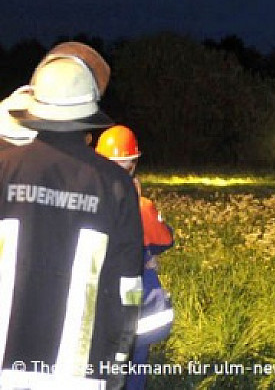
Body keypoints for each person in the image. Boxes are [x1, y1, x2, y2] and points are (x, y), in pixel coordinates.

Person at [0, 42, 143, 390]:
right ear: (88, 113)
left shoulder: (4, 169)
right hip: (79, 373)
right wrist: (118, 363)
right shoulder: (116, 185)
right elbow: (128, 290)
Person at [96, 125, 174, 390]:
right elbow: (165, 240)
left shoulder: (89, 200)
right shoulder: (141, 206)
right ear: (133, 162)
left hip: (98, 300)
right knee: (134, 366)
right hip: (135, 304)